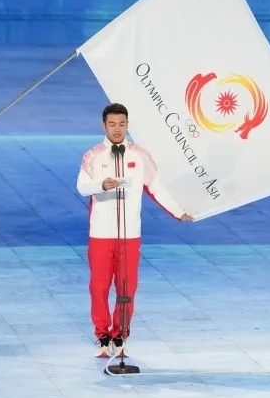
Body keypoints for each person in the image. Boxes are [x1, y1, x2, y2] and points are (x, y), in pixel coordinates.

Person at [77, 103, 192, 359]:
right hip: (101, 234)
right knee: (98, 286)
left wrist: (179, 211)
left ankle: (120, 335)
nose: (117, 129)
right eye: (112, 124)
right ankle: (102, 335)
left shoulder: (140, 156)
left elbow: (157, 188)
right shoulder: (93, 156)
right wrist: (101, 184)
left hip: (130, 236)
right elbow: (82, 186)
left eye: (121, 124)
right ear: (104, 125)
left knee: (127, 288)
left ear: (127, 125)